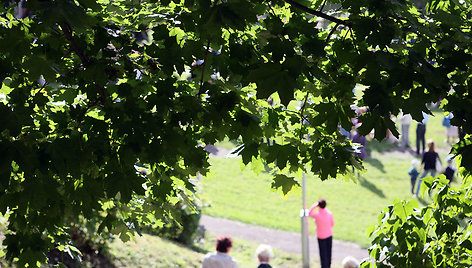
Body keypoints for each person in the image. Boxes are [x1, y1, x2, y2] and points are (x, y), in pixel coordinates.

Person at [309, 199, 334, 268]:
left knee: (323, 254)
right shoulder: (329, 214)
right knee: (329, 252)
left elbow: (309, 213)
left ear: (319, 206)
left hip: (321, 236)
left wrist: (314, 205)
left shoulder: (317, 215)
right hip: (329, 235)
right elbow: (332, 224)